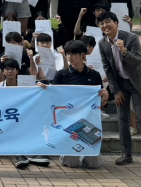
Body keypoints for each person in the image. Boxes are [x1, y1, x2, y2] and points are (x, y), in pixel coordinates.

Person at [98, 11, 141, 172]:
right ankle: (127, 154)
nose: (104, 26)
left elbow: (138, 61)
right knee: (122, 119)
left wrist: (124, 51)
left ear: (116, 23)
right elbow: (108, 69)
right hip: (121, 84)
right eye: (101, 23)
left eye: (107, 22)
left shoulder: (131, 38)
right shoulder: (103, 43)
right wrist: (116, 91)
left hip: (138, 82)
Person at [38, 40, 108, 169]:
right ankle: (65, 152)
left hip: (89, 120)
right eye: (67, 54)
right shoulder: (62, 75)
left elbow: (99, 102)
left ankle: (90, 155)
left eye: (73, 54)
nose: (69, 57)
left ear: (83, 55)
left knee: (94, 165)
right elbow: (54, 97)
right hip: (68, 122)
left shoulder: (94, 75)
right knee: (72, 164)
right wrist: (43, 88)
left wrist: (104, 98)